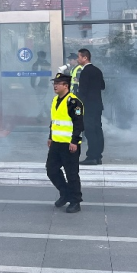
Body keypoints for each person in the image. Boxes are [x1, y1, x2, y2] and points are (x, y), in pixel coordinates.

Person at [46, 72, 84, 214]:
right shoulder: (55, 100)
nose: (55, 86)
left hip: (69, 145)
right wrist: (50, 136)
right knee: (51, 170)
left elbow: (78, 124)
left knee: (71, 174)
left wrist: (75, 141)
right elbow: (54, 121)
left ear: (66, 86)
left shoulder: (73, 102)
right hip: (56, 143)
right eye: (54, 83)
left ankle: (75, 201)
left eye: (58, 83)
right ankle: (65, 193)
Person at [75, 49, 106, 166]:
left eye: (79, 57)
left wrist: (78, 107)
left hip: (88, 106)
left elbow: (82, 91)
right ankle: (98, 156)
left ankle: (91, 156)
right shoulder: (97, 70)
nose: (77, 59)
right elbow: (102, 86)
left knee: (89, 130)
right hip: (97, 105)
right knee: (98, 129)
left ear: (85, 58)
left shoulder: (85, 72)